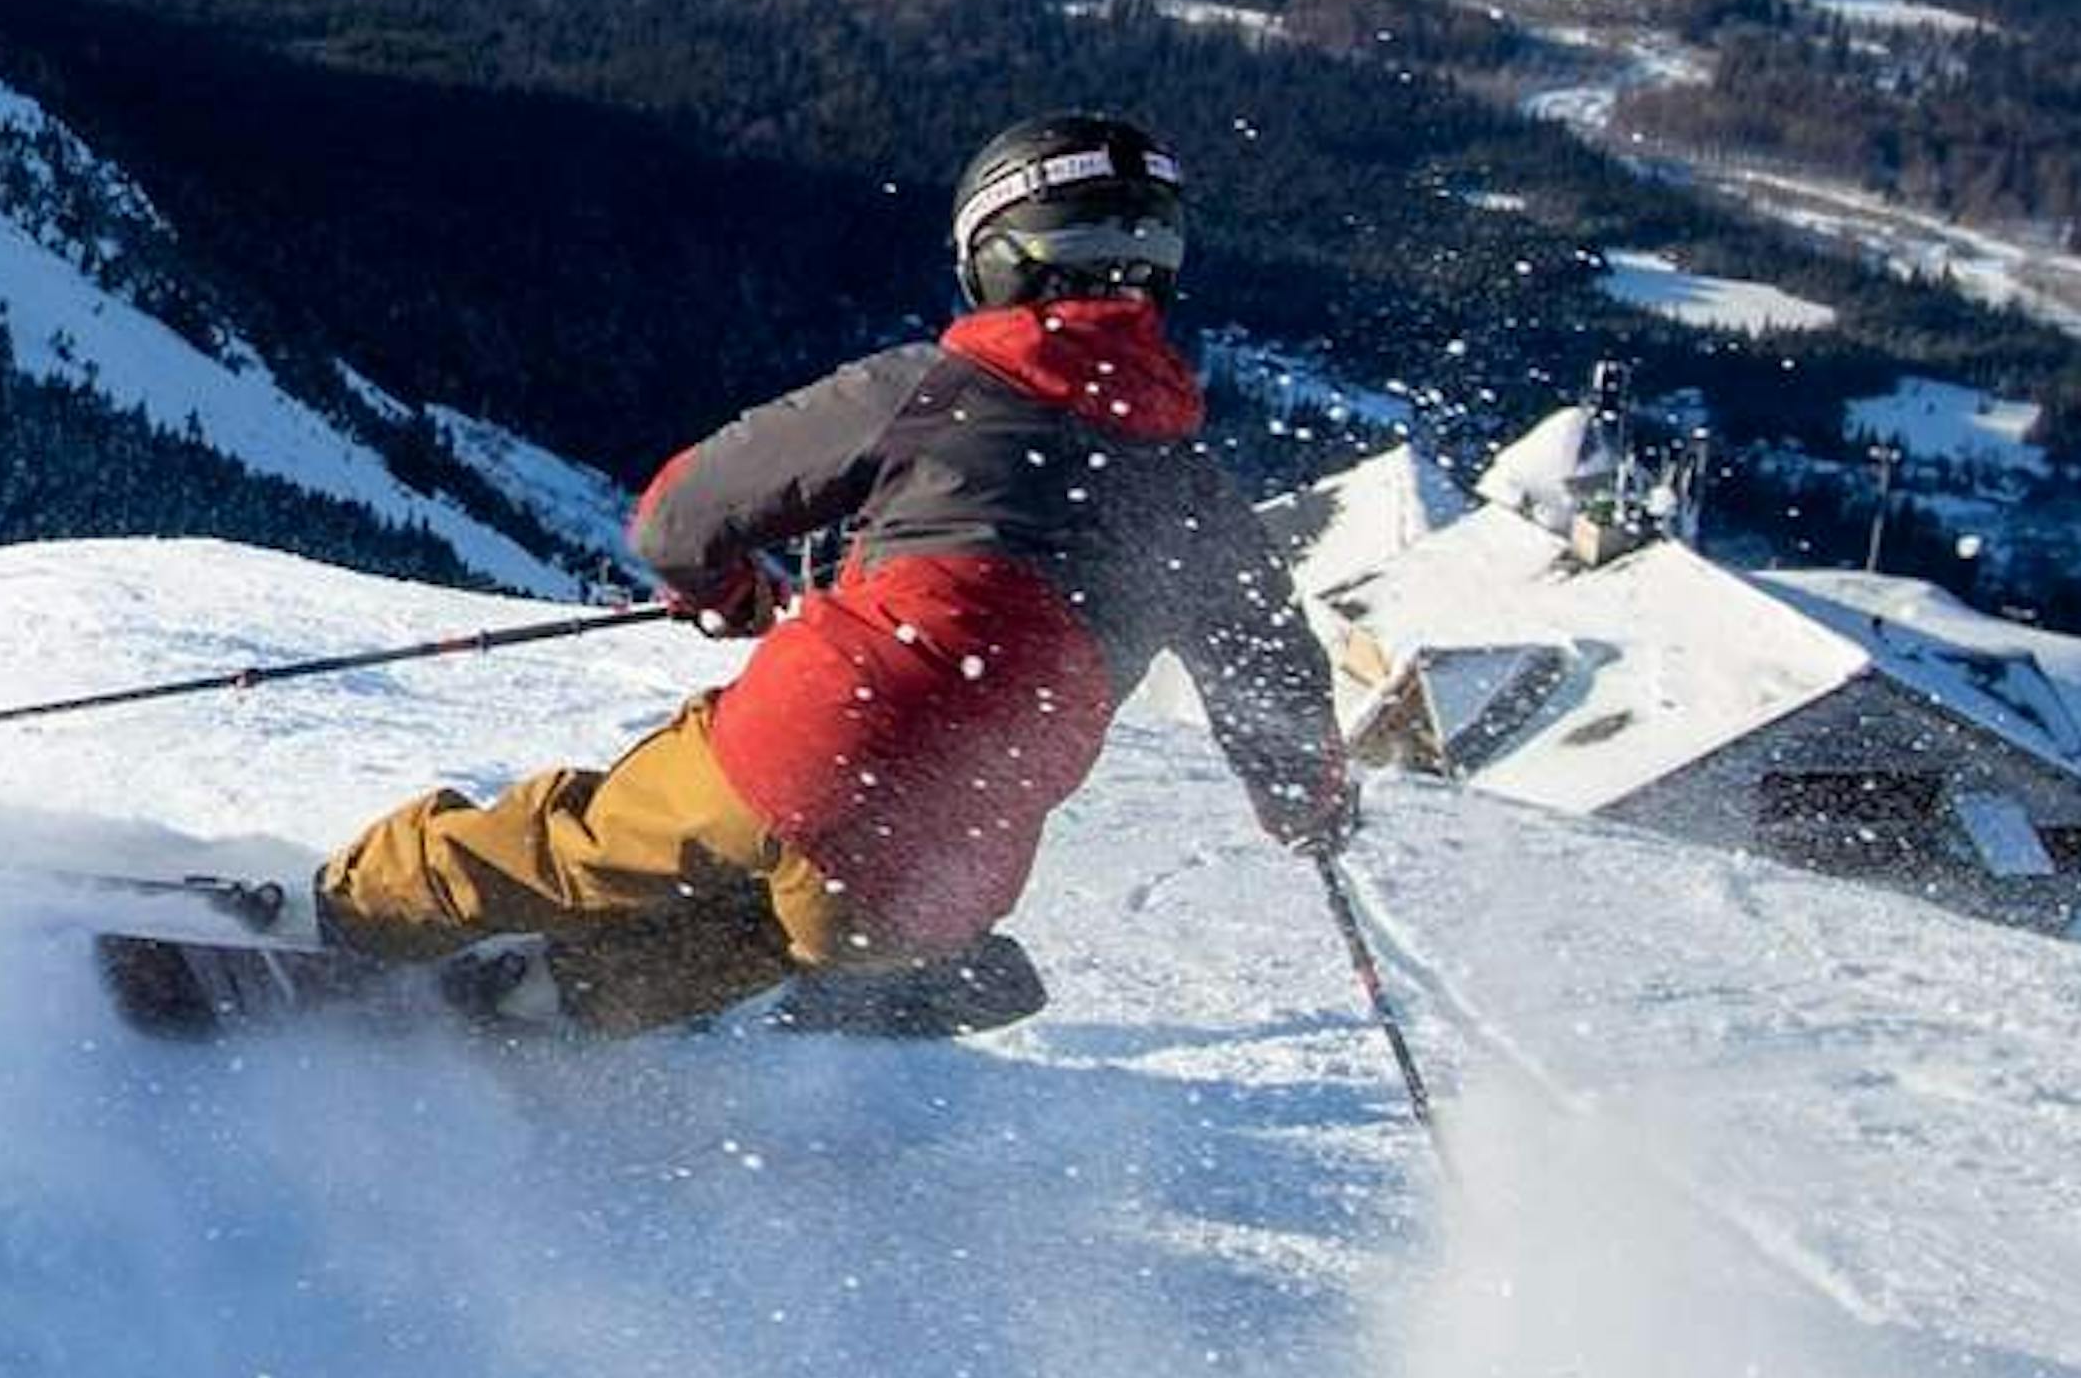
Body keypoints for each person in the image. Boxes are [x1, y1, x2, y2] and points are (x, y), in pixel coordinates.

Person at [316, 110, 1350, 1037]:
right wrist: (1306, 803)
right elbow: (1279, 685)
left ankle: (336, 918)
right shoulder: (1198, 499)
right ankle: (567, 995)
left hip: (821, 738)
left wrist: (727, 595)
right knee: (774, 930)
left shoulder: (934, 389)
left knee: (573, 843)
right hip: (952, 859)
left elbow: (678, 516)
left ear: (990, 257)